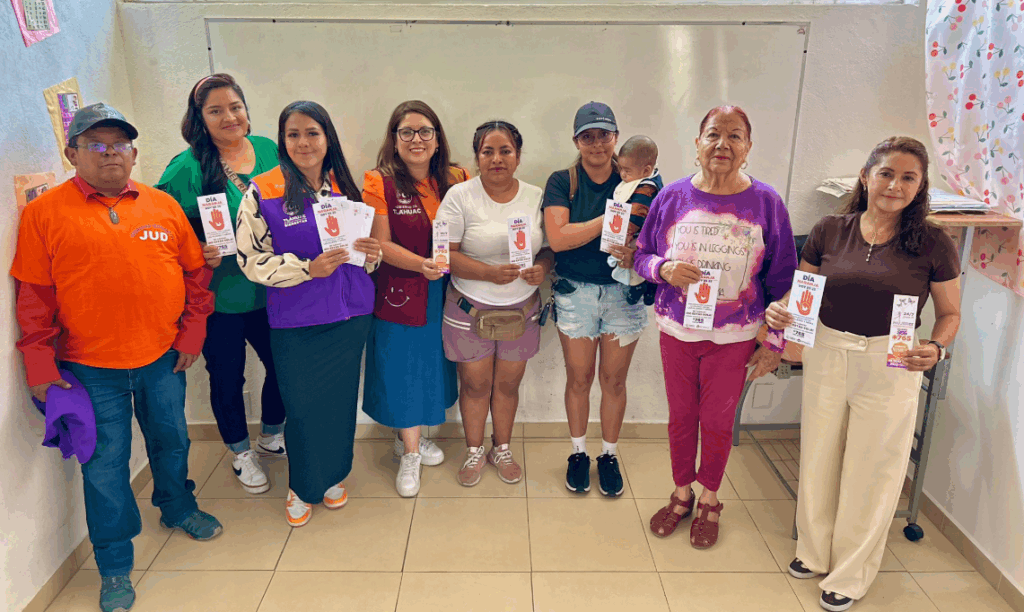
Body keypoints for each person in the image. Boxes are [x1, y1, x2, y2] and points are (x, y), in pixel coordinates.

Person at [11, 103, 223, 612]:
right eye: (96, 145)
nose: (111, 154)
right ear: (72, 154)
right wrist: (39, 366)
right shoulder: (44, 214)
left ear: (133, 153)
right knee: (104, 467)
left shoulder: (161, 206)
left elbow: (196, 274)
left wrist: (192, 335)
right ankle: (113, 563)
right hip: (88, 369)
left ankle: (177, 506)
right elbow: (34, 297)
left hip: (162, 359)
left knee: (172, 440)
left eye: (120, 145)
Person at [765, 136, 961, 612]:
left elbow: (950, 314)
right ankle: (813, 552)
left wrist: (936, 347)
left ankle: (851, 573)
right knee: (819, 453)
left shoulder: (933, 242)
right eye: (886, 173)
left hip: (891, 360)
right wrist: (780, 310)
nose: (895, 185)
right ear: (866, 176)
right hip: (828, 350)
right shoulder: (831, 229)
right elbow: (803, 293)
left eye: (908, 177)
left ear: (920, 186)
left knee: (873, 468)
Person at [634, 105, 797, 550]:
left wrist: (775, 344)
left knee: (719, 422)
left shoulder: (766, 203)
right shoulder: (671, 197)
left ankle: (710, 498)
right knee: (681, 417)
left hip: (735, 337)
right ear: (697, 143)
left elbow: (785, 281)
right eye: (713, 134)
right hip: (677, 331)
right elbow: (641, 255)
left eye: (735, 136)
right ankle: (681, 493)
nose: (722, 144)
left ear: (748, 147)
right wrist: (663, 269)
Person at [235, 101, 381, 527]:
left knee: (339, 402)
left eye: (312, 133)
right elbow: (250, 260)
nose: (304, 143)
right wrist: (306, 269)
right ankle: (301, 486)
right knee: (302, 406)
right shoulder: (263, 191)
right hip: (297, 320)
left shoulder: (345, 188)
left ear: (327, 138)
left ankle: (333, 475)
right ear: (282, 141)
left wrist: (371, 254)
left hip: (351, 315)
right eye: (293, 134)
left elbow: (360, 255)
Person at [156, 73, 285, 495]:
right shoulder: (186, 167)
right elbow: (158, 228)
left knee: (283, 367)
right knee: (228, 378)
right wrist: (195, 249)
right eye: (216, 111)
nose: (229, 117)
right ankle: (240, 452)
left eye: (235, 107)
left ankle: (271, 433)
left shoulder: (269, 149)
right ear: (200, 119)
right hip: (219, 299)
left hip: (274, 291)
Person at [437, 120, 553, 486]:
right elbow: (443, 255)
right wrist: (487, 273)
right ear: (477, 157)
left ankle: (500, 448)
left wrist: (541, 268)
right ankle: (473, 450)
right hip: (469, 308)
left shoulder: (535, 196)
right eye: (488, 151)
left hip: (522, 309)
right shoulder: (459, 196)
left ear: (518, 157)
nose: (497, 159)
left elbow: (550, 248)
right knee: (474, 385)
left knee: (507, 385)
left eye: (505, 151)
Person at [361, 100, 468, 497]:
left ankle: (414, 437)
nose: (416, 139)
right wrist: (421, 264)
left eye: (425, 131)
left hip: (447, 291)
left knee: (433, 365)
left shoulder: (457, 177)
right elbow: (381, 243)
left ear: (437, 139)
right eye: (406, 132)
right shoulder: (379, 182)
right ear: (394, 139)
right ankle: (409, 453)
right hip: (400, 290)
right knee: (402, 368)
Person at [542, 101, 644, 497]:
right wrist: (612, 218)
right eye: (588, 136)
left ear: (616, 137)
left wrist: (636, 249)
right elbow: (558, 239)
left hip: (624, 294)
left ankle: (609, 456)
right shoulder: (562, 181)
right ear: (576, 141)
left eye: (604, 135)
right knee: (579, 378)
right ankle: (579, 453)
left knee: (614, 381)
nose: (597, 144)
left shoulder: (641, 181)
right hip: (575, 292)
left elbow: (654, 236)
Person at [608, 135, 663, 305]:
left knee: (635, 257)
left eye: (627, 170)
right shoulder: (647, 180)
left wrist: (627, 233)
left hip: (643, 234)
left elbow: (637, 214)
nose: (622, 174)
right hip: (648, 236)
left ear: (646, 171)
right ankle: (647, 286)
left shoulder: (646, 188)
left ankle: (640, 287)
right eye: (621, 169)